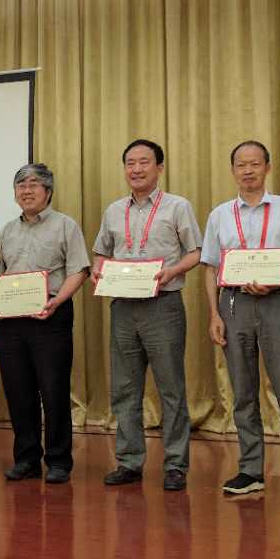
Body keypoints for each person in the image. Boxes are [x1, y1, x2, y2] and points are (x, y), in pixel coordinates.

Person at [201, 140, 280, 503]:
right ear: (233, 170)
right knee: (242, 392)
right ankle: (251, 470)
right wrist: (214, 314)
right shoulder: (220, 215)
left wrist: (279, 279)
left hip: (275, 303)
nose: (248, 170)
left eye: (255, 163)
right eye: (241, 164)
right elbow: (210, 267)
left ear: (267, 167)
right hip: (233, 304)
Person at [92, 139, 202, 491]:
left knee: (170, 388)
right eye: (130, 163)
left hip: (162, 305)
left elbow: (196, 252)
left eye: (144, 162)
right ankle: (129, 461)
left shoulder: (177, 207)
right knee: (125, 388)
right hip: (123, 306)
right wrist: (98, 270)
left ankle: (175, 465)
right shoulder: (113, 210)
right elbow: (101, 253)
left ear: (159, 168)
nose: (136, 169)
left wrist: (172, 271)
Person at [0, 164, 90, 484]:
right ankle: (26, 459)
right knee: (18, 392)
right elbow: (1, 274)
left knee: (54, 390)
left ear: (48, 191)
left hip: (51, 315)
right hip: (11, 321)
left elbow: (79, 270)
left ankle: (59, 460)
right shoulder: (8, 230)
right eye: (20, 185)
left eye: (34, 184)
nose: (26, 190)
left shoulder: (65, 225)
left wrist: (57, 301)